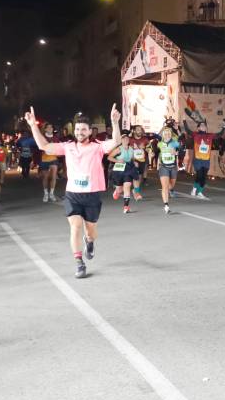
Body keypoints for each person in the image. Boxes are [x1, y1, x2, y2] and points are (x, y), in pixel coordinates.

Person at [25, 104, 121, 279]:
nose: (80, 132)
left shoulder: (97, 147)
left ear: (89, 132)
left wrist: (115, 122)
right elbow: (45, 146)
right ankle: (79, 263)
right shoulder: (67, 146)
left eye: (83, 129)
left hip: (92, 195)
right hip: (73, 195)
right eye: (77, 129)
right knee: (75, 227)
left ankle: (89, 242)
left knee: (90, 232)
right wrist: (33, 125)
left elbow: (115, 142)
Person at [186, 120, 224, 199]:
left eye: (204, 125)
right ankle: (194, 189)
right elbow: (188, 131)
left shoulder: (210, 135)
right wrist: (184, 121)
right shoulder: (195, 134)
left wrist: (224, 126)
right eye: (201, 125)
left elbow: (220, 134)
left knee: (204, 177)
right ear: (198, 128)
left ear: (206, 127)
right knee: (199, 175)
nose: (203, 126)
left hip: (206, 160)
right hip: (197, 159)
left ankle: (199, 192)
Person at [108, 132, 140, 214]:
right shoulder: (118, 149)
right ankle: (117, 191)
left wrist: (135, 162)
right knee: (120, 189)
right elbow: (109, 157)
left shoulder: (131, 149)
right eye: (124, 139)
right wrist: (118, 160)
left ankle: (126, 207)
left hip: (128, 169)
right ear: (121, 140)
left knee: (127, 186)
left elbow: (132, 158)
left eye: (127, 139)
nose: (126, 140)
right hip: (119, 170)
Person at [157, 126, 180, 213]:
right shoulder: (159, 144)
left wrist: (176, 152)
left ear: (171, 135)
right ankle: (166, 205)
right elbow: (155, 153)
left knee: (171, 186)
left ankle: (167, 190)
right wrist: (151, 153)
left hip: (173, 167)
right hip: (163, 167)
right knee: (165, 187)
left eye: (169, 134)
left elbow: (181, 150)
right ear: (163, 135)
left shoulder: (175, 143)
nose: (167, 135)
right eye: (165, 134)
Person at [39, 123, 60, 202]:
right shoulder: (42, 138)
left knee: (54, 176)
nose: (50, 128)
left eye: (51, 127)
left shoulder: (56, 138)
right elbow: (39, 147)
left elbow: (58, 147)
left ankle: (51, 193)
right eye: (48, 127)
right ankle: (46, 193)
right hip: (44, 159)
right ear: (45, 129)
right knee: (45, 177)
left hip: (53, 158)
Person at [129, 125, 150, 194]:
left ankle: (136, 189)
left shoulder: (145, 139)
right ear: (134, 131)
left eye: (140, 129)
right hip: (133, 159)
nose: (139, 131)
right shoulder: (130, 139)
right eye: (138, 129)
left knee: (140, 175)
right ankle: (136, 190)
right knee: (134, 174)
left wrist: (145, 148)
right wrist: (132, 147)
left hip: (142, 159)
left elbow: (149, 148)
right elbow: (125, 147)